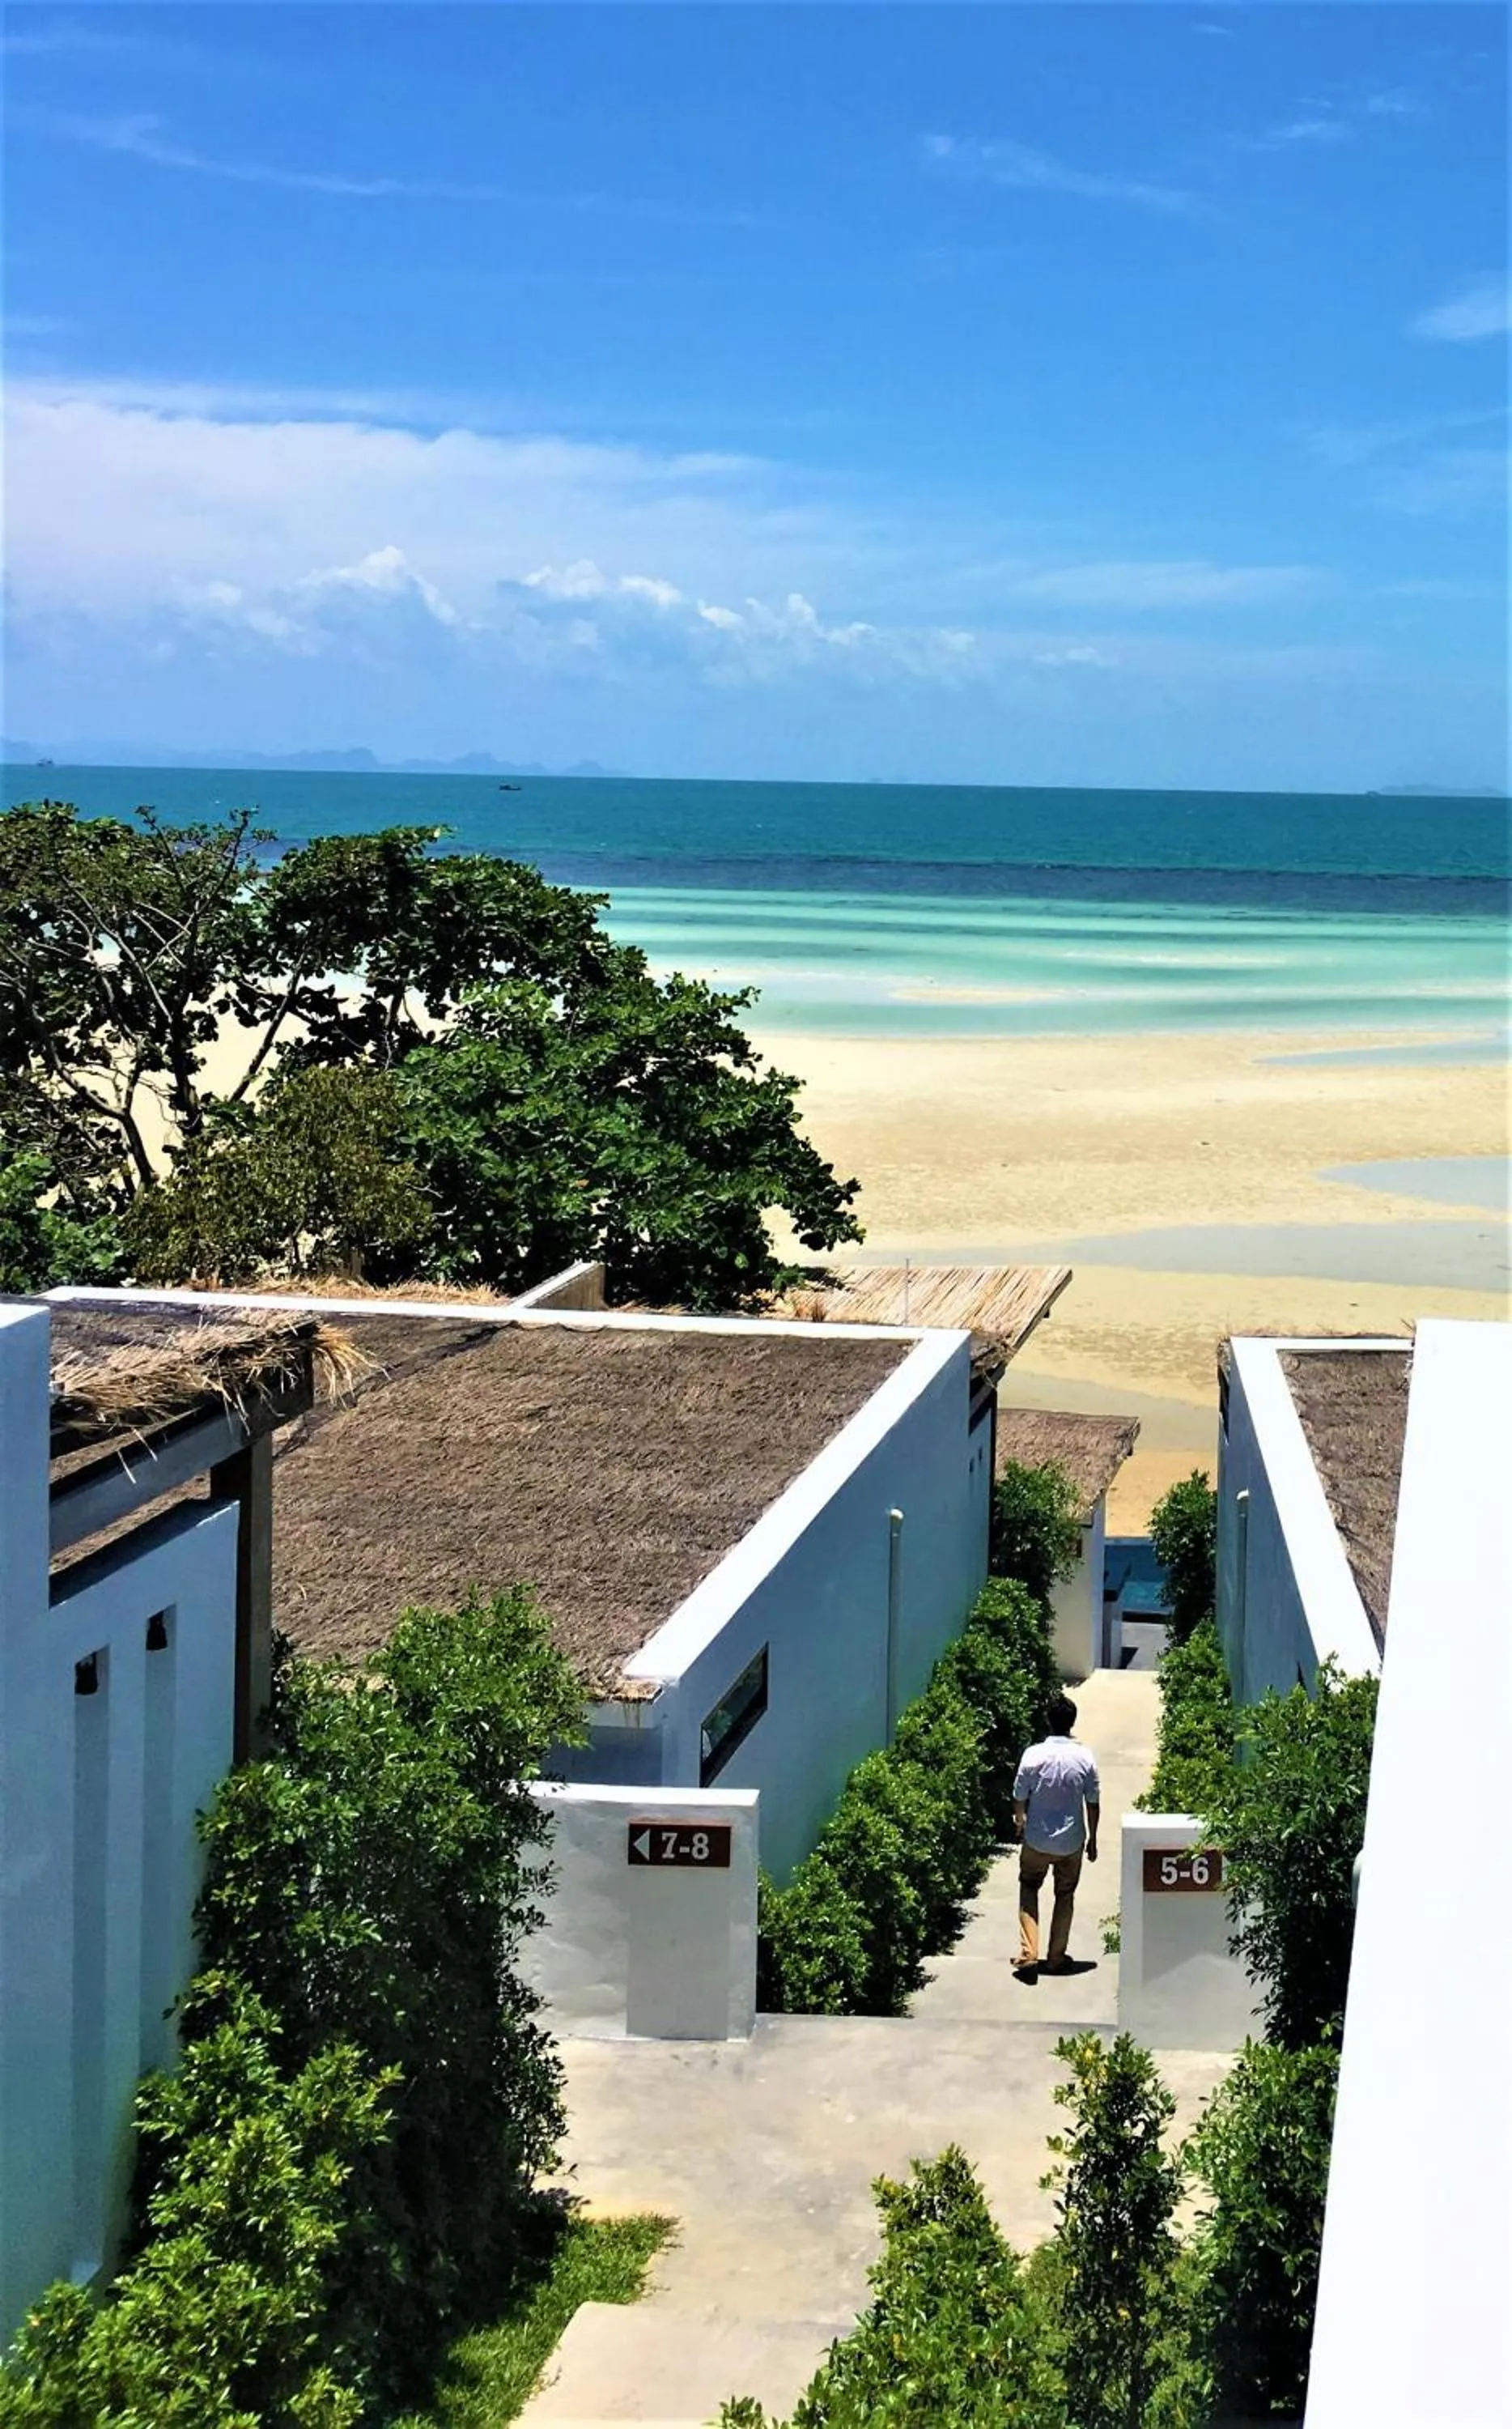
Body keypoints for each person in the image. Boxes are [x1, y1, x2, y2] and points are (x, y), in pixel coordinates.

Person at [1013, 1691, 1100, 1977]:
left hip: (1037, 1838)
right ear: (1072, 1723)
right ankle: (1056, 1956)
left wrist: (1020, 1820)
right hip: (1071, 1840)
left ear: (1048, 1722)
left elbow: (1019, 1795)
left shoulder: (1033, 1754)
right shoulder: (1085, 1756)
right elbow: (1093, 1803)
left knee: (1029, 1885)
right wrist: (1093, 1839)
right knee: (1065, 1894)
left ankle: (1029, 1953)